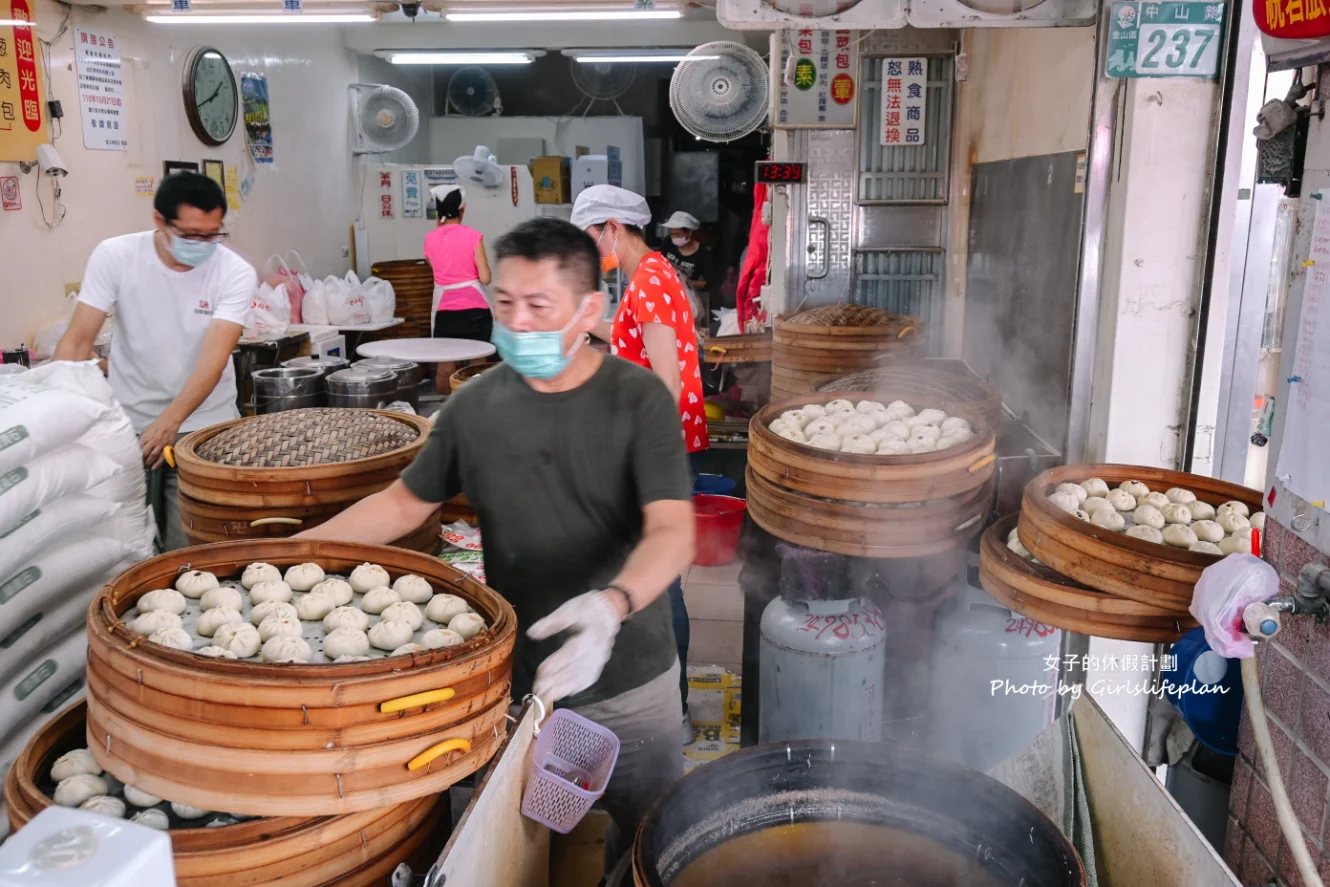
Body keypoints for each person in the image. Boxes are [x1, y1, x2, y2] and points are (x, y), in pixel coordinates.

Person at [298, 218, 694, 885]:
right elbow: (402, 505)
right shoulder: (475, 407)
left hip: (632, 676)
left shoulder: (638, 400)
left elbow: (673, 530)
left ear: (590, 310)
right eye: (504, 303)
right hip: (521, 681)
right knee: (519, 844)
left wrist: (611, 604)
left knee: (653, 840)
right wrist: (294, 551)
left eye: (539, 306)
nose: (516, 322)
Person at [53, 172, 256, 552]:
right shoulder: (116, 256)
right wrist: (57, 417)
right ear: (159, 221)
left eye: (212, 234)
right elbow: (77, 342)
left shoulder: (234, 272)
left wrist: (170, 422)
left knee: (195, 546)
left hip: (205, 427)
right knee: (128, 543)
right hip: (129, 422)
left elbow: (213, 362)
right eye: (191, 235)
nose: (203, 244)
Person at [571, 185, 708, 744]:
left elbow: (665, 386)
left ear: (611, 228)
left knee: (659, 583)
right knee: (652, 578)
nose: (589, 249)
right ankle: (657, 704)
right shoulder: (649, 275)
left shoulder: (651, 280)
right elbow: (632, 338)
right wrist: (580, 326)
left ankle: (669, 713)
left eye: (590, 237)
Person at [423, 183, 493, 391]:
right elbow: (486, 277)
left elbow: (434, 266)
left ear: (439, 211)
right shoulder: (473, 236)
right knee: (478, 366)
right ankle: (480, 408)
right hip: (476, 311)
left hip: (445, 312)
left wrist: (439, 228)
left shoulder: (430, 239)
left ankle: (442, 411)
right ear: (463, 209)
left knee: (445, 367)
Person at [659, 210, 721, 317]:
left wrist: (689, 282)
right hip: (664, 291)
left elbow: (710, 282)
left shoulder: (702, 254)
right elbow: (659, 261)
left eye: (677, 234)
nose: (674, 237)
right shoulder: (667, 243)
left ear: (689, 232)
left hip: (686, 297)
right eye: (672, 234)